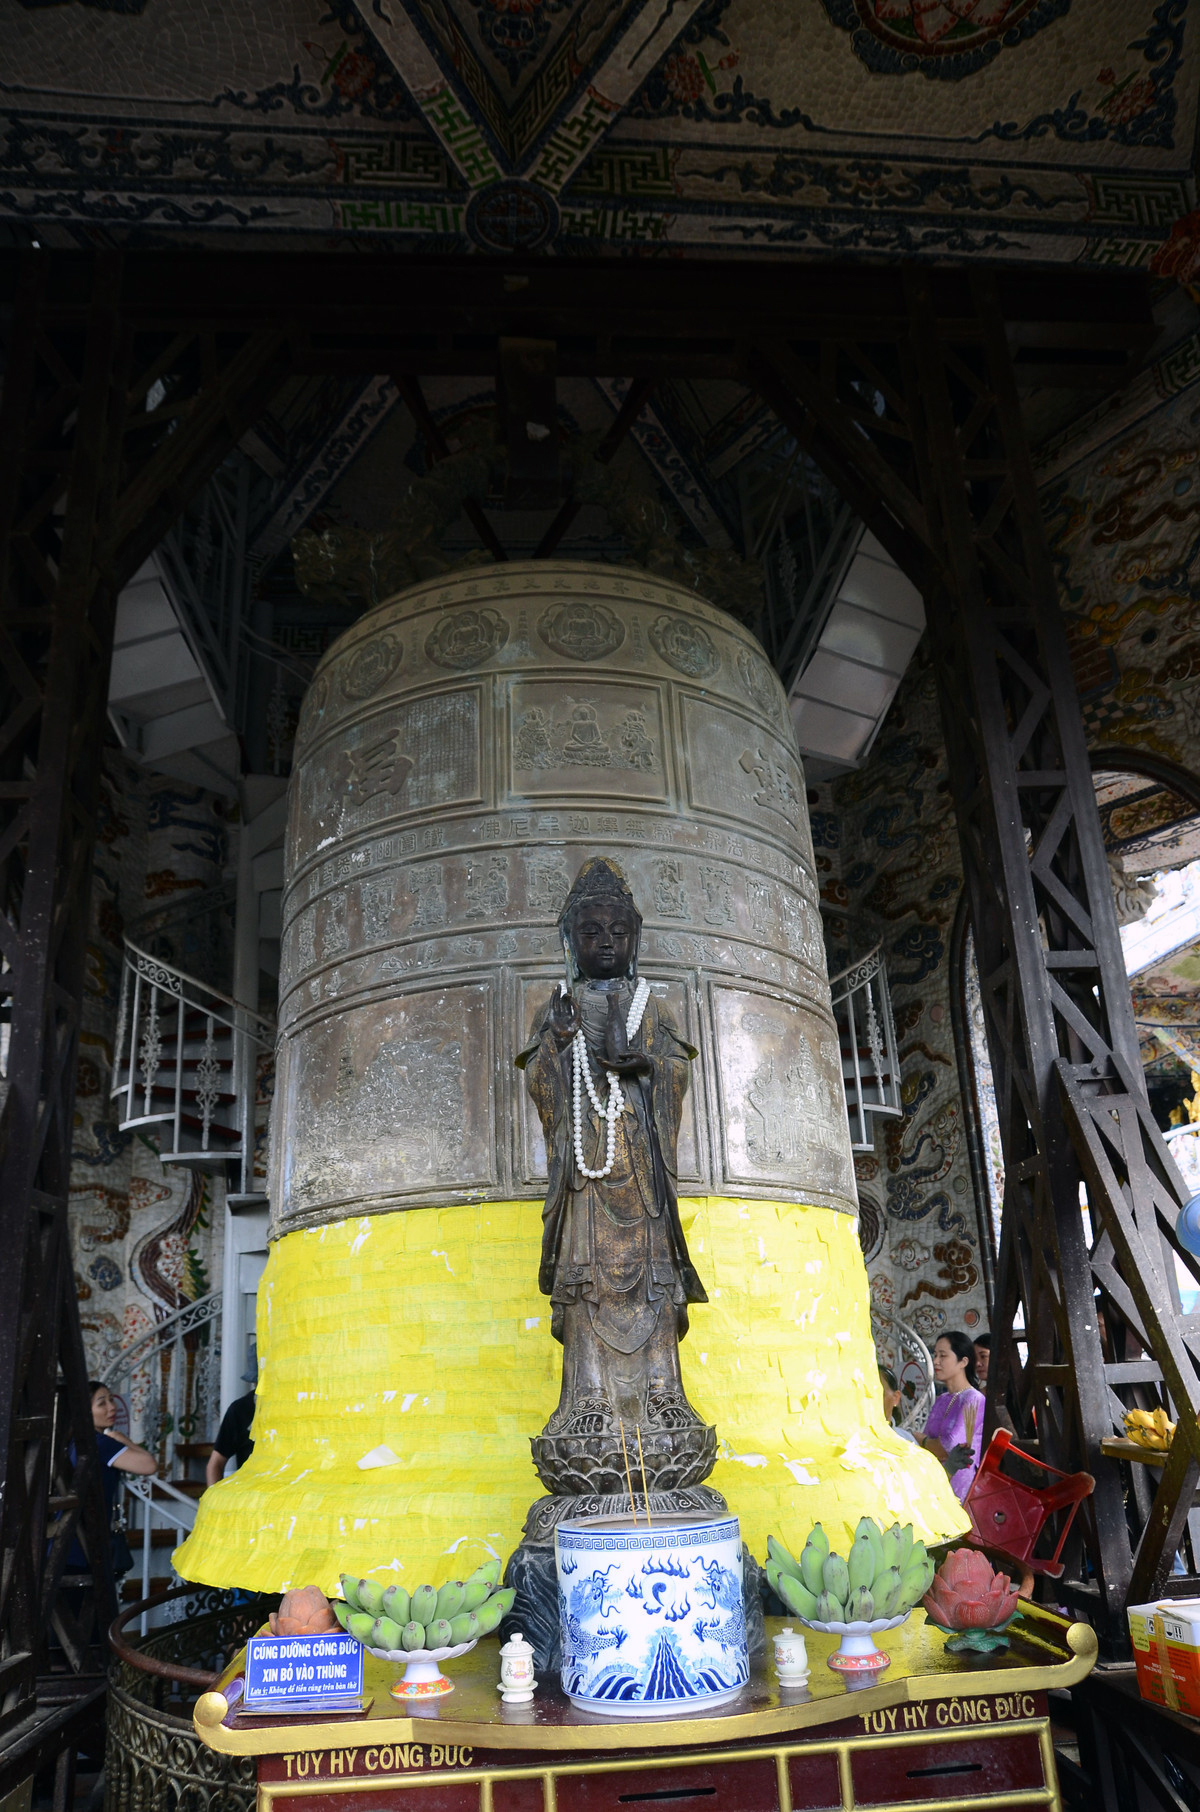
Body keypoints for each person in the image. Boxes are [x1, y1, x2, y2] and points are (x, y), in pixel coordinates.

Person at [517, 857, 712, 1496]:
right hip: (586, 1183)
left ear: (635, 940)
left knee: (653, 1290)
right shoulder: (558, 1011)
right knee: (587, 1288)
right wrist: (562, 1045)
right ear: (570, 940)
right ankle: (588, 1402)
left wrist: (649, 1068)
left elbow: (677, 1076)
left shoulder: (653, 1007)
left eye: (617, 932)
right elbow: (542, 1087)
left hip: (640, 1173)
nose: (605, 942)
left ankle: (664, 1399)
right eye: (591, 931)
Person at [65, 1383, 156, 1578]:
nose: (112, 1407)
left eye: (111, 1400)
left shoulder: (74, 1442)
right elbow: (149, 1465)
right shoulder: (100, 1443)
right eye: (102, 1403)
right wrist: (123, 1440)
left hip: (70, 1542)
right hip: (84, 1544)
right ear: (84, 1411)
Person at [921, 1332, 985, 1502]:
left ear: (963, 1361)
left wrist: (920, 1438)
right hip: (935, 1481)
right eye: (935, 1355)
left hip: (960, 1488)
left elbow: (951, 1447)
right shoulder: (942, 1400)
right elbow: (928, 1448)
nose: (935, 1361)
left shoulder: (974, 1399)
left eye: (943, 1355)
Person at [206, 1361, 257, 1486]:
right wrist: (213, 1502)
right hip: (249, 1495)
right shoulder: (240, 1409)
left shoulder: (298, 1407)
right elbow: (216, 1463)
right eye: (257, 1380)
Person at [878, 1364, 917, 1443]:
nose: (871, 1399)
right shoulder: (851, 1441)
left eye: (878, 1393)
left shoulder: (907, 1441)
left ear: (896, 1398)